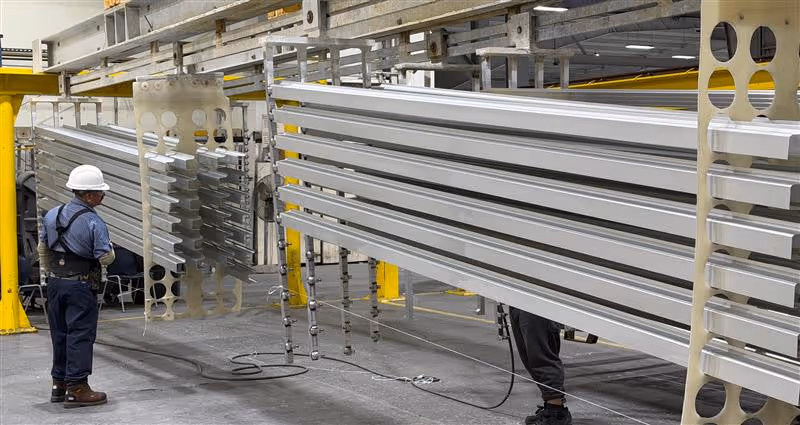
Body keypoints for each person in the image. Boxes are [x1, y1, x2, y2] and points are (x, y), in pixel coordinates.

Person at [38, 165, 115, 408]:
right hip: (80, 286)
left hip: (55, 284)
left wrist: (51, 275)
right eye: (101, 193)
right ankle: (78, 388)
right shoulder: (94, 222)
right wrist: (111, 252)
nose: (103, 196)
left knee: (59, 334)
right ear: (90, 195)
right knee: (80, 334)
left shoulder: (52, 214)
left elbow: (43, 249)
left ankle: (58, 385)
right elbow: (105, 258)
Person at [509, 307, 572, 425]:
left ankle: (556, 414)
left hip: (539, 297)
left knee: (541, 354)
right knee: (529, 354)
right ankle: (551, 407)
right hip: (520, 296)